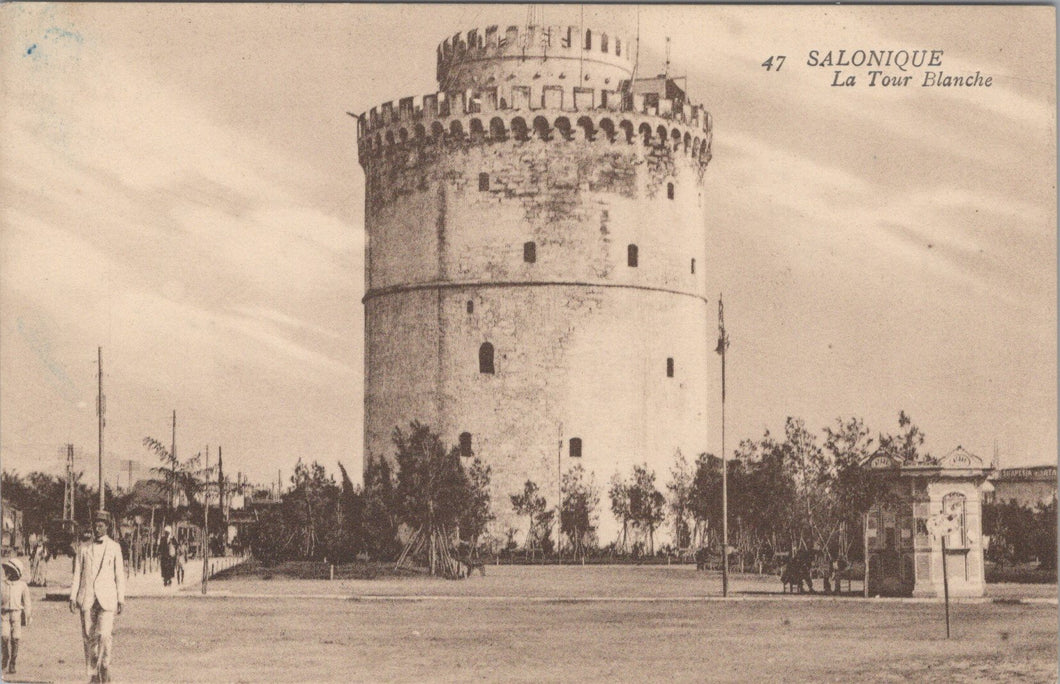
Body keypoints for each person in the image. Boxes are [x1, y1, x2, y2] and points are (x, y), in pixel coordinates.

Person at [70, 511, 125, 683]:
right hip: (87, 598)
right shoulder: (84, 547)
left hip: (107, 599)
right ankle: (93, 674)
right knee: (88, 638)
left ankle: (105, 666)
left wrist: (121, 598)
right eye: (95, 524)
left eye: (101, 524)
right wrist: (73, 596)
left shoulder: (115, 547)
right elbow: (77, 574)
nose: (97, 527)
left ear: (107, 526)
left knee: (105, 635)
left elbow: (119, 575)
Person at [1, 558, 32, 675]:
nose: (7, 573)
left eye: (10, 570)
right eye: (7, 570)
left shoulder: (22, 586)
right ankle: (5, 656)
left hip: (17, 615)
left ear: (16, 572)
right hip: (4, 614)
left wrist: (27, 615)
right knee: (4, 636)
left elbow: (27, 602)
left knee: (16, 638)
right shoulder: (2, 585)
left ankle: (13, 662)